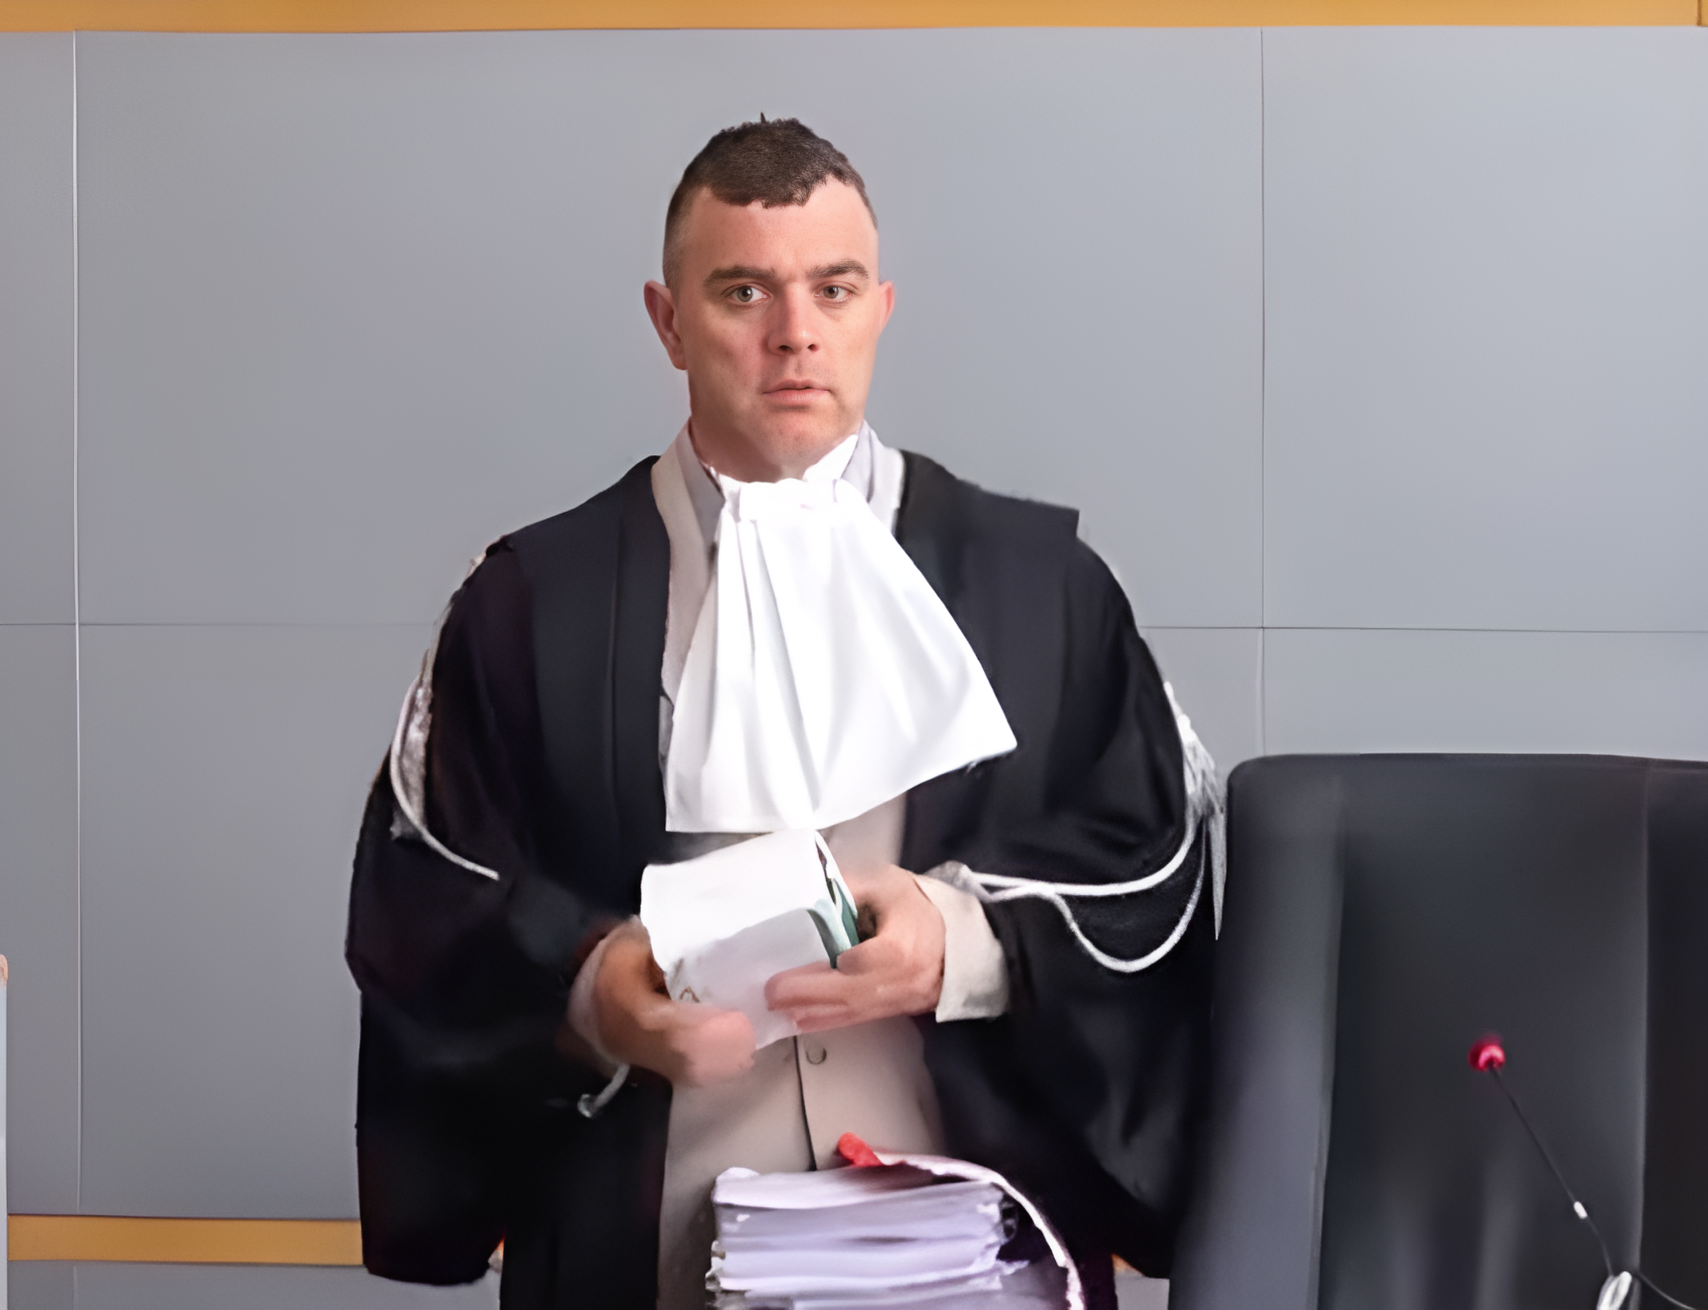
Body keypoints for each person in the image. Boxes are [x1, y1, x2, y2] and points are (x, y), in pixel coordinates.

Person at [346, 118, 1220, 1310]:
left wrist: (965, 941)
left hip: (977, 1258)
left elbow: (1150, 865)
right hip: (648, 1263)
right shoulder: (532, 603)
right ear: (667, 322)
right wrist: (592, 987)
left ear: (881, 309)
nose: (794, 331)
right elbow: (434, 895)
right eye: (743, 291)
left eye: (833, 289)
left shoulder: (1041, 588)